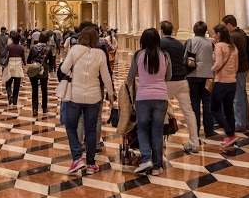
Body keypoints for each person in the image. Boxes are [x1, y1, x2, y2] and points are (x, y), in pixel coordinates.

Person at [59, 25, 114, 175]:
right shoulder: (100, 53)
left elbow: (63, 69)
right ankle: (91, 164)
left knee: (71, 126)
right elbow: (106, 77)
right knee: (91, 130)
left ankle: (77, 157)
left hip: (75, 96)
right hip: (94, 96)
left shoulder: (74, 50)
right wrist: (111, 94)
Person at [127, 28, 172, 175]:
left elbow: (130, 77)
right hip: (161, 97)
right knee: (157, 131)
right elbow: (168, 77)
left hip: (143, 97)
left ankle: (146, 158)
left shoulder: (138, 55)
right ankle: (157, 166)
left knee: (142, 128)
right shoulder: (165, 55)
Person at [159, 20, 199, 153]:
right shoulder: (178, 44)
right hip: (182, 80)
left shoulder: (160, 43)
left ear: (161, 31)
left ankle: (160, 138)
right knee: (188, 112)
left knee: (161, 110)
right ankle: (194, 142)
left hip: (167, 82)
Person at [185, 21, 216, 138]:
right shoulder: (211, 43)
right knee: (207, 102)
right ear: (205, 31)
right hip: (208, 75)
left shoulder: (190, 41)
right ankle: (209, 130)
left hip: (193, 75)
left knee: (194, 102)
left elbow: (185, 56)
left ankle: (195, 130)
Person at [211, 24, 239, 148]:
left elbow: (218, 63)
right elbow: (236, 66)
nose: (213, 35)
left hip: (221, 81)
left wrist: (212, 70)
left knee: (214, 109)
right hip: (232, 82)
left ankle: (230, 133)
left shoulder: (219, 46)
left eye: (214, 33)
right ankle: (231, 137)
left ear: (218, 34)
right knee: (229, 110)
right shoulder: (233, 47)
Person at [222, 15, 249, 132]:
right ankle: (245, 122)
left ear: (229, 25)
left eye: (224, 26)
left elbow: (229, 53)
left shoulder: (233, 36)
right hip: (244, 67)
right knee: (242, 96)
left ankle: (240, 123)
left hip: (238, 69)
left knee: (238, 97)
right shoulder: (241, 33)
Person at [27, 31, 55, 116]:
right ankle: (44, 108)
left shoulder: (33, 47)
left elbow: (28, 60)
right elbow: (51, 62)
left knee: (34, 90)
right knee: (44, 89)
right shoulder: (48, 49)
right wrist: (50, 69)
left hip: (34, 69)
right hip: (44, 70)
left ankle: (35, 109)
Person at [2, 30, 25, 106]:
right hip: (18, 65)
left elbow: (3, 54)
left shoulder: (9, 46)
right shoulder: (21, 47)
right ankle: (15, 100)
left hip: (10, 64)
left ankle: (10, 94)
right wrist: (24, 65)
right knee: (17, 85)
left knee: (8, 82)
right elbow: (23, 58)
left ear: (12, 39)